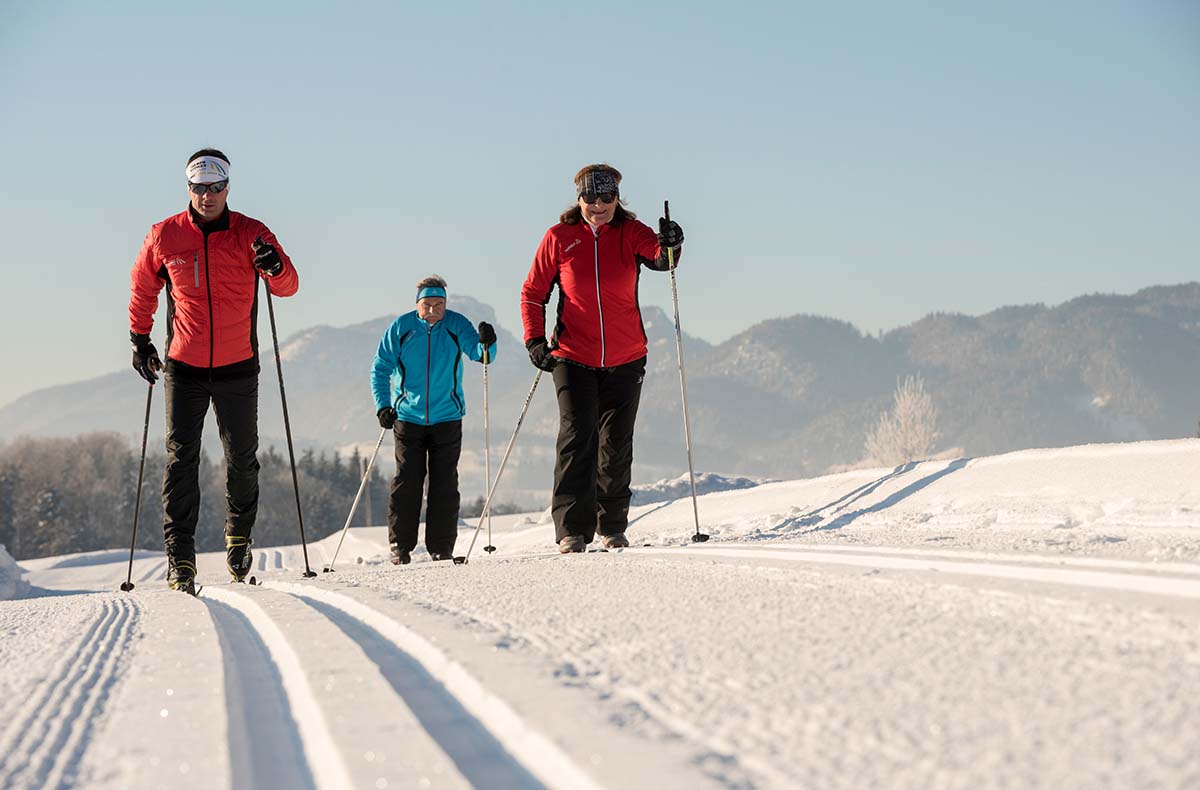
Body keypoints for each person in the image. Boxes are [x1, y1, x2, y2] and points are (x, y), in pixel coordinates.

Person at [128, 148, 298, 594]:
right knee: (181, 459)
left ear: (227, 187)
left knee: (243, 459)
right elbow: (143, 288)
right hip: (183, 366)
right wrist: (140, 340)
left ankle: (238, 539)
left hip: (238, 365)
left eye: (216, 187)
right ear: (188, 188)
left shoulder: (251, 233)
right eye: (199, 187)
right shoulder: (164, 236)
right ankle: (179, 557)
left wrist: (274, 267)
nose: (207, 195)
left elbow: (289, 286)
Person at [520, 164, 684, 553]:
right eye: (590, 197)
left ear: (617, 198)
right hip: (572, 356)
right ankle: (571, 530)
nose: (598, 205)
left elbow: (663, 258)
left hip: (627, 357)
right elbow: (532, 292)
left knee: (616, 443)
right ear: (578, 199)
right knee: (578, 439)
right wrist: (535, 340)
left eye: (606, 197)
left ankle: (612, 525)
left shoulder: (631, 232)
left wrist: (673, 241)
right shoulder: (559, 237)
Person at [371, 276, 497, 564]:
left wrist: (489, 342)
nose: (433, 311)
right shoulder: (402, 328)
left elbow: (481, 355)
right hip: (407, 417)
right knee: (408, 481)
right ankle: (400, 546)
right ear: (417, 304)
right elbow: (380, 368)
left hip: (447, 416)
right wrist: (383, 406)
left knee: (444, 483)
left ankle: (441, 547)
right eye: (427, 305)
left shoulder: (456, 324)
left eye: (439, 305)